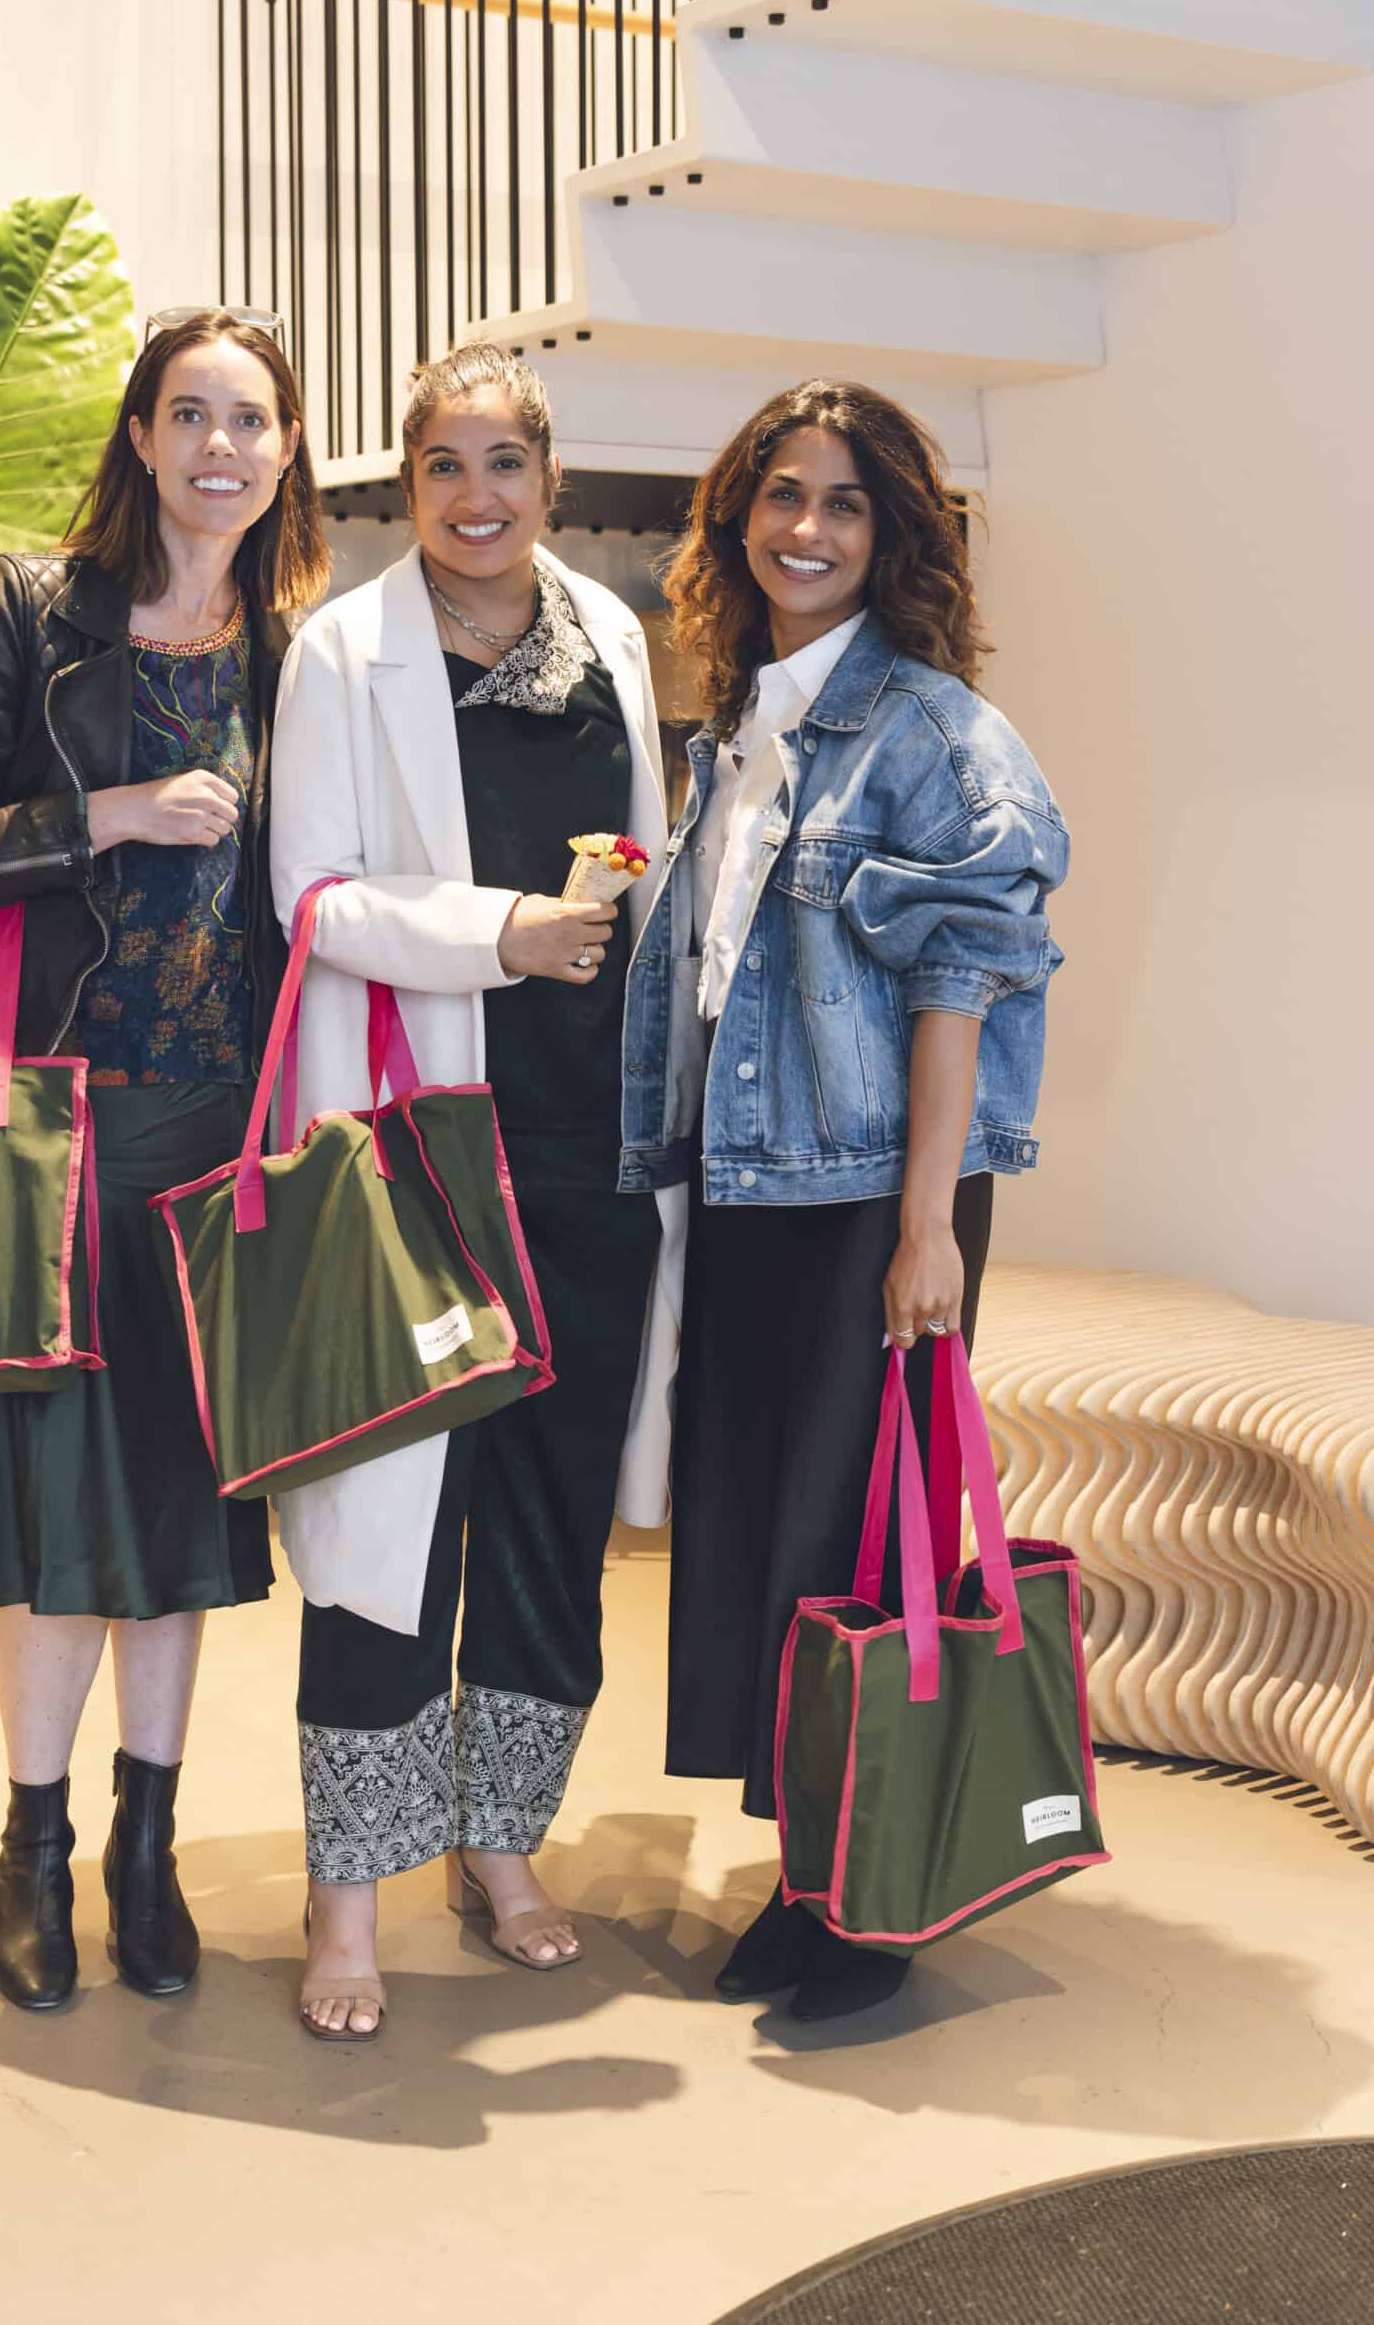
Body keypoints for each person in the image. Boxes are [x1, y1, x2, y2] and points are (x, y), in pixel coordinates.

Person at [0, 307, 329, 2011]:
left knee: (182, 1511)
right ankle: (34, 1842)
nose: (221, 447)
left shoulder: (295, 654)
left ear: (286, 453)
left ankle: (149, 1841)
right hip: (55, 1130)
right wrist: (105, 817)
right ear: (141, 436)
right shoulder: (28, 612)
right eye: (190, 414)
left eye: (252, 420)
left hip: (216, 1136)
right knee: (57, 1507)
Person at [618, 378, 1068, 2022]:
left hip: (876, 1194)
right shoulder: (744, 721)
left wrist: (929, 1227)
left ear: (896, 535)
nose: (806, 529)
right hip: (755, 1184)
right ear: (738, 516)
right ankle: (816, 1868)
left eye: (845, 502)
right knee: (764, 1528)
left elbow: (963, 987)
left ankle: (869, 1902)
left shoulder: (936, 732)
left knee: (861, 1534)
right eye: (783, 495)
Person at [269, 342, 683, 2041]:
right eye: (443, 464)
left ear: (550, 479)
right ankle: (348, 1889)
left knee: (549, 1516)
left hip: (590, 1145)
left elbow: (646, 871)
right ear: (407, 482)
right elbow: (309, 895)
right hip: (417, 1141)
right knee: (391, 1526)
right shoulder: (340, 649)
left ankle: (502, 1846)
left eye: (505, 462)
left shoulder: (613, 639)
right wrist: (498, 932)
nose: (475, 495)